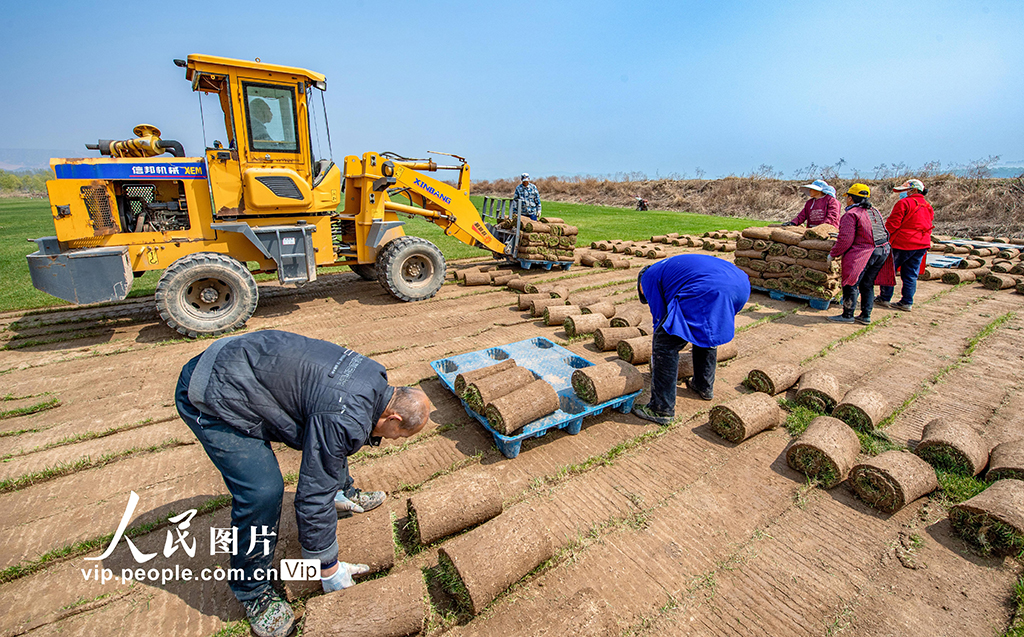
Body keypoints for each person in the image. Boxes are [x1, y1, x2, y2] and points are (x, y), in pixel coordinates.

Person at [175, 330, 430, 637]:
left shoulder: (373, 378)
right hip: (213, 392)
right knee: (262, 492)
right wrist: (327, 567)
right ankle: (253, 590)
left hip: (246, 360)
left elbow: (334, 436)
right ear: (394, 419)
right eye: (399, 436)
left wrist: (336, 485)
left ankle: (344, 491)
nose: (393, 441)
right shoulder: (343, 415)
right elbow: (313, 494)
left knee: (334, 433)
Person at [631, 255, 751, 423]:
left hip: (707, 287)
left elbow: (659, 317)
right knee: (704, 330)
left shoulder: (648, 276)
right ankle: (703, 386)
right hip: (740, 285)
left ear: (640, 284)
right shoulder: (669, 268)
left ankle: (661, 409)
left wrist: (661, 350)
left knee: (665, 344)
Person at [828, 184, 891, 325]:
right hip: (882, 251)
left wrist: (833, 254)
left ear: (850, 198)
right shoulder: (874, 211)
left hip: (864, 252)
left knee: (850, 283)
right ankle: (865, 315)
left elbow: (845, 240)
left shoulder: (851, 214)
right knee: (867, 284)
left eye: (847, 197)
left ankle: (847, 315)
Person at [874, 179, 934, 312]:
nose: (903, 193)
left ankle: (884, 298)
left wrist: (883, 237)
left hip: (902, 243)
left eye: (905, 190)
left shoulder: (904, 203)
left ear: (914, 190)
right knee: (911, 274)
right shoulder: (927, 206)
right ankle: (907, 302)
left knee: (889, 270)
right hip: (922, 244)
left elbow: (893, 223)